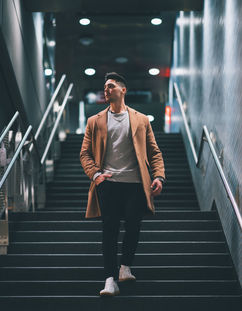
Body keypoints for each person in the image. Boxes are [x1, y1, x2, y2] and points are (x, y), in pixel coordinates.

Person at [80, 72, 165, 296]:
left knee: (133, 225)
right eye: (105, 87)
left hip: (136, 183)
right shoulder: (94, 121)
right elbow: (85, 154)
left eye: (110, 86)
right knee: (109, 230)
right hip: (108, 184)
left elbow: (154, 151)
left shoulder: (141, 119)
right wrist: (95, 174)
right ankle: (109, 280)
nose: (106, 90)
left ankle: (125, 266)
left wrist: (158, 176)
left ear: (123, 89)